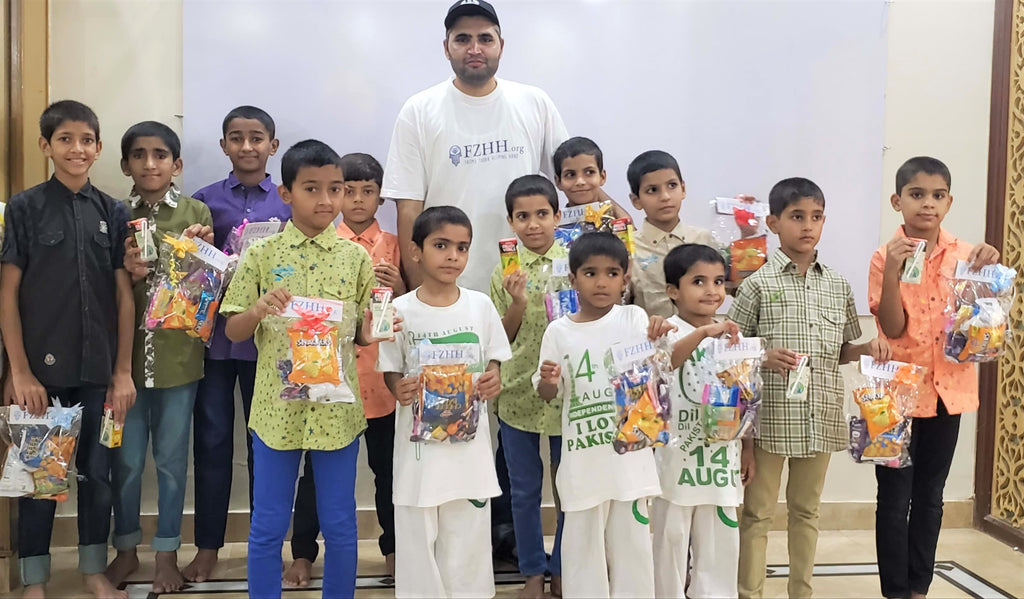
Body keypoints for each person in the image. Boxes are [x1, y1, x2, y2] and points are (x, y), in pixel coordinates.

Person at [382, 0, 569, 558]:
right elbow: (409, 206)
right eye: (462, 38)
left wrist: (611, 228)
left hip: (532, 294)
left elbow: (569, 184)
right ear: (447, 47)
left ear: (501, 45)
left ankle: (510, 538)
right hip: (452, 296)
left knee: (517, 416)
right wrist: (417, 288)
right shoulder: (420, 109)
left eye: (485, 37)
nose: (475, 48)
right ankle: (466, 545)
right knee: (461, 420)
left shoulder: (533, 103)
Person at [220, 139, 377, 599]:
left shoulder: (356, 258)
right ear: (286, 193)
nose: (327, 200)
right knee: (268, 524)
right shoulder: (261, 255)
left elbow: (363, 335)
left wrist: (375, 328)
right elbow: (233, 330)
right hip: (276, 412)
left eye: (336, 188)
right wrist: (257, 310)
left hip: (336, 413)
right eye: (312, 188)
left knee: (340, 523)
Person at [728, 177, 890, 599]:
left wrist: (865, 349)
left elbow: (842, 350)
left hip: (821, 414)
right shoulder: (757, 285)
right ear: (773, 223)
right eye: (797, 216)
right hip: (771, 419)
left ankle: (801, 592)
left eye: (816, 217)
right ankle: (750, 593)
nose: (807, 226)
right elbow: (730, 354)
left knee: (806, 510)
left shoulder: (837, 284)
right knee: (758, 513)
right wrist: (762, 356)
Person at [0, 100, 135, 599]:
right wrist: (20, 371)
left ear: (98, 148)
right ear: (46, 146)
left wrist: (122, 372)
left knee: (98, 474)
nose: (76, 149)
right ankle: (34, 580)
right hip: (42, 374)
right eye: (65, 139)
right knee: (40, 477)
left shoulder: (113, 211)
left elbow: (123, 297)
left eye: (86, 140)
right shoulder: (24, 208)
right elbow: (8, 294)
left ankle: (93, 571)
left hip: (99, 373)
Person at [868, 156, 999, 599]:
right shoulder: (884, 256)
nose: (928, 203)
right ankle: (895, 591)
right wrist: (892, 270)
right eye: (917, 194)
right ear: (897, 201)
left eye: (937, 195)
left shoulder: (967, 256)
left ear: (948, 202)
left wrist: (990, 273)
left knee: (930, 496)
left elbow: (982, 325)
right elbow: (892, 328)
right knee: (893, 499)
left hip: (949, 392)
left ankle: (919, 588)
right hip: (894, 396)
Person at [378, 206, 512, 598]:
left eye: (462, 247)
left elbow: (494, 361)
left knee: (468, 538)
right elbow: (389, 368)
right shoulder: (398, 310)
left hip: (469, 450)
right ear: (415, 251)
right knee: (417, 536)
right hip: (419, 453)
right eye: (441, 245)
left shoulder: (480, 306)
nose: (453, 256)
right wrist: (398, 387)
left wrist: (492, 378)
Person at [105, 121, 214, 594]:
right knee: (125, 463)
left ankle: (167, 553)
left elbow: (210, 288)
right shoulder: (112, 214)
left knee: (171, 462)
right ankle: (126, 550)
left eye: (161, 155)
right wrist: (126, 272)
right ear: (125, 164)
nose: (150, 164)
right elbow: (100, 287)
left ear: (177, 164)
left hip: (178, 360)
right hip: (123, 365)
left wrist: (200, 254)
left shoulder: (196, 212)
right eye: (139, 155)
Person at [285, 153, 402, 587]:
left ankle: (393, 549)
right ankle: (302, 553)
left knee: (388, 471)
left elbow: (412, 305)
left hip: (381, 380)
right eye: (347, 190)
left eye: (367, 191)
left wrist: (400, 286)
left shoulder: (394, 245)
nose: (356, 200)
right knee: (315, 474)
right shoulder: (322, 243)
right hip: (327, 380)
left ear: (381, 197)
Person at [534, 232, 673, 599]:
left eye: (612, 273)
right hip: (582, 465)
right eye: (590, 273)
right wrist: (548, 381)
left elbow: (656, 366)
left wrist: (658, 338)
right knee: (582, 557)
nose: (601, 282)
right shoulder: (558, 331)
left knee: (633, 555)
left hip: (629, 465)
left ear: (625, 279)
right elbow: (547, 394)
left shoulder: (633, 318)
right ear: (572, 279)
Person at [186, 105, 291, 583]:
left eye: (256, 138)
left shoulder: (288, 203)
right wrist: (200, 250)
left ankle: (265, 546)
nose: (247, 146)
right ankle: (208, 546)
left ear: (273, 145)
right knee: (211, 442)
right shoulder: (203, 202)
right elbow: (188, 276)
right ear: (223, 144)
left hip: (266, 343)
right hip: (212, 342)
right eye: (236, 137)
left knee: (265, 445)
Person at [653, 243, 754, 599]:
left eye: (718, 281)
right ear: (673, 291)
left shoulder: (733, 338)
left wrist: (747, 448)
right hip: (675, 460)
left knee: (720, 545)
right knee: (670, 541)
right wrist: (701, 334)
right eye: (698, 281)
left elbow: (745, 397)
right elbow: (666, 364)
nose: (712, 290)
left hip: (719, 460)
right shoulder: (665, 332)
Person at [488, 175, 565, 599]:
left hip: (569, 392)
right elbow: (501, 337)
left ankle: (564, 567)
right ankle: (533, 570)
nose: (533, 224)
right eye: (522, 216)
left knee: (569, 488)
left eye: (541, 214)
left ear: (557, 216)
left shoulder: (575, 260)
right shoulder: (505, 270)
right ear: (510, 221)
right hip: (517, 393)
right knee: (523, 491)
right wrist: (517, 302)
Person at [627, 150, 717, 319]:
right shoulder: (629, 248)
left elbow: (731, 287)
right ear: (636, 201)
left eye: (672, 185)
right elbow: (619, 306)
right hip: (650, 334)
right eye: (652, 190)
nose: (665, 196)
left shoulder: (703, 239)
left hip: (703, 333)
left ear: (683, 189)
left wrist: (747, 234)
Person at [551, 136, 629, 218]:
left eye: (589, 172)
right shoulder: (554, 224)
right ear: (558, 182)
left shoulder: (617, 223)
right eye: (570, 175)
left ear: (602, 177)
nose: (580, 182)